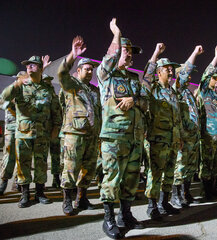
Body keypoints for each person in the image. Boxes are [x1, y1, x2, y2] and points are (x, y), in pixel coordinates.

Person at [96, 18, 145, 239]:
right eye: (126, 50)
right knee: (112, 179)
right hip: (113, 137)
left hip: (134, 138)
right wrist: (116, 34)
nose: (129, 54)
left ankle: (125, 215)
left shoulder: (134, 79)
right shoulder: (106, 74)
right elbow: (109, 59)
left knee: (131, 179)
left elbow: (146, 102)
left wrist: (134, 100)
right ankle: (108, 219)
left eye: (131, 52)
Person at [0, 55, 62, 208]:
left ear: (40, 68)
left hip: (42, 134)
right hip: (23, 133)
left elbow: (56, 110)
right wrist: (17, 83)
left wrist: (56, 128)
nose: (29, 67)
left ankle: (39, 193)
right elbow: (2, 98)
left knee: (40, 164)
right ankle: (25, 194)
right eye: (27, 65)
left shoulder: (48, 88)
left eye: (33, 65)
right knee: (23, 165)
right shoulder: (20, 86)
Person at [58, 36, 101, 216]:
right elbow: (61, 73)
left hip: (92, 135)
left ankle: (82, 198)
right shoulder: (71, 85)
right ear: (79, 70)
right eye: (87, 69)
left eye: (92, 69)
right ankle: (67, 200)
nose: (90, 72)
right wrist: (73, 55)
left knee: (89, 168)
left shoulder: (94, 90)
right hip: (75, 133)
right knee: (71, 167)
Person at [142, 43, 183, 218]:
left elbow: (177, 117)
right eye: (167, 69)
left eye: (171, 70)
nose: (171, 72)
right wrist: (156, 53)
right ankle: (152, 206)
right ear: (159, 72)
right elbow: (147, 76)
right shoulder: (153, 89)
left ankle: (164, 202)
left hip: (172, 139)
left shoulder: (172, 93)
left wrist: (179, 137)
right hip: (157, 139)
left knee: (170, 173)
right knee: (155, 173)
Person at [171, 45, 204, 207]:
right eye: (187, 75)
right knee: (180, 167)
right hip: (182, 136)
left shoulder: (188, 93)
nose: (190, 77)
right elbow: (185, 73)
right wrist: (194, 54)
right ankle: (175, 195)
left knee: (190, 167)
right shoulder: (176, 89)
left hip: (192, 137)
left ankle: (186, 192)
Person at [196, 44, 217, 200]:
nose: (216, 81)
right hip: (208, 135)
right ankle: (206, 191)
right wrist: (215, 58)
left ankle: (213, 188)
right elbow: (204, 75)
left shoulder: (216, 97)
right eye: (214, 78)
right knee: (207, 163)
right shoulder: (204, 91)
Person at [0, 71, 27, 195]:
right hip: (11, 127)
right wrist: (9, 103)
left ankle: (17, 182)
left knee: (22, 156)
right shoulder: (10, 90)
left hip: (24, 128)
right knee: (9, 156)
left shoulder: (27, 92)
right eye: (21, 78)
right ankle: (3, 182)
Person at [42, 73, 62, 188]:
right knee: (41, 158)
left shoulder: (55, 98)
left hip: (54, 131)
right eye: (45, 81)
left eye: (49, 81)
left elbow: (58, 115)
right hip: (41, 132)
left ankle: (56, 178)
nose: (48, 83)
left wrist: (56, 128)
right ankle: (41, 181)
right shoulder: (38, 96)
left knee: (55, 156)